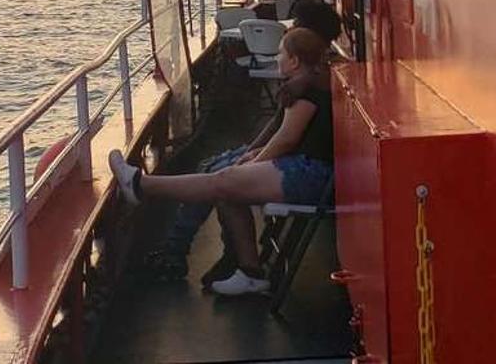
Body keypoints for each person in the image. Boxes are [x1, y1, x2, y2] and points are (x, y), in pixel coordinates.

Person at [109, 26, 334, 297]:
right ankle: (250, 273)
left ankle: (140, 186)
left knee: (223, 180)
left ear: (295, 61)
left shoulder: (305, 93)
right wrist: (255, 154)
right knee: (227, 188)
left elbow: (286, 139)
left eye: (280, 53)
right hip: (305, 169)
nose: (277, 58)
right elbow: (287, 138)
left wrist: (255, 161)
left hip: (309, 175)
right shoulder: (310, 84)